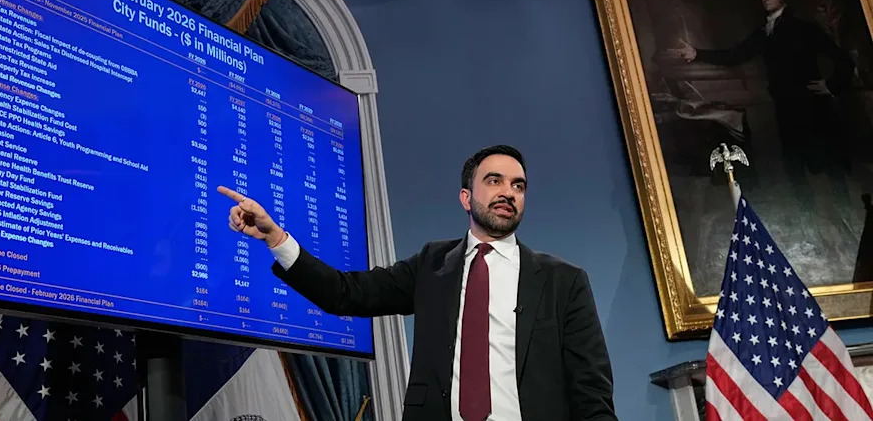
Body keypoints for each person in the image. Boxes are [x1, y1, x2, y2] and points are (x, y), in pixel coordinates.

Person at [218, 145, 616, 421]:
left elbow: (592, 393)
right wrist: (276, 239)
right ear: (466, 197)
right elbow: (345, 293)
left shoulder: (565, 281)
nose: (508, 193)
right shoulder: (432, 265)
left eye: (518, 185)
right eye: (495, 181)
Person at [672, 0, 856, 182]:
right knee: (795, 168)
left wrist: (831, 85)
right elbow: (735, 55)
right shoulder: (763, 32)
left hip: (814, 106)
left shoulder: (804, 28)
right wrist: (697, 54)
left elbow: (843, 60)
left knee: (831, 167)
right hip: (785, 108)